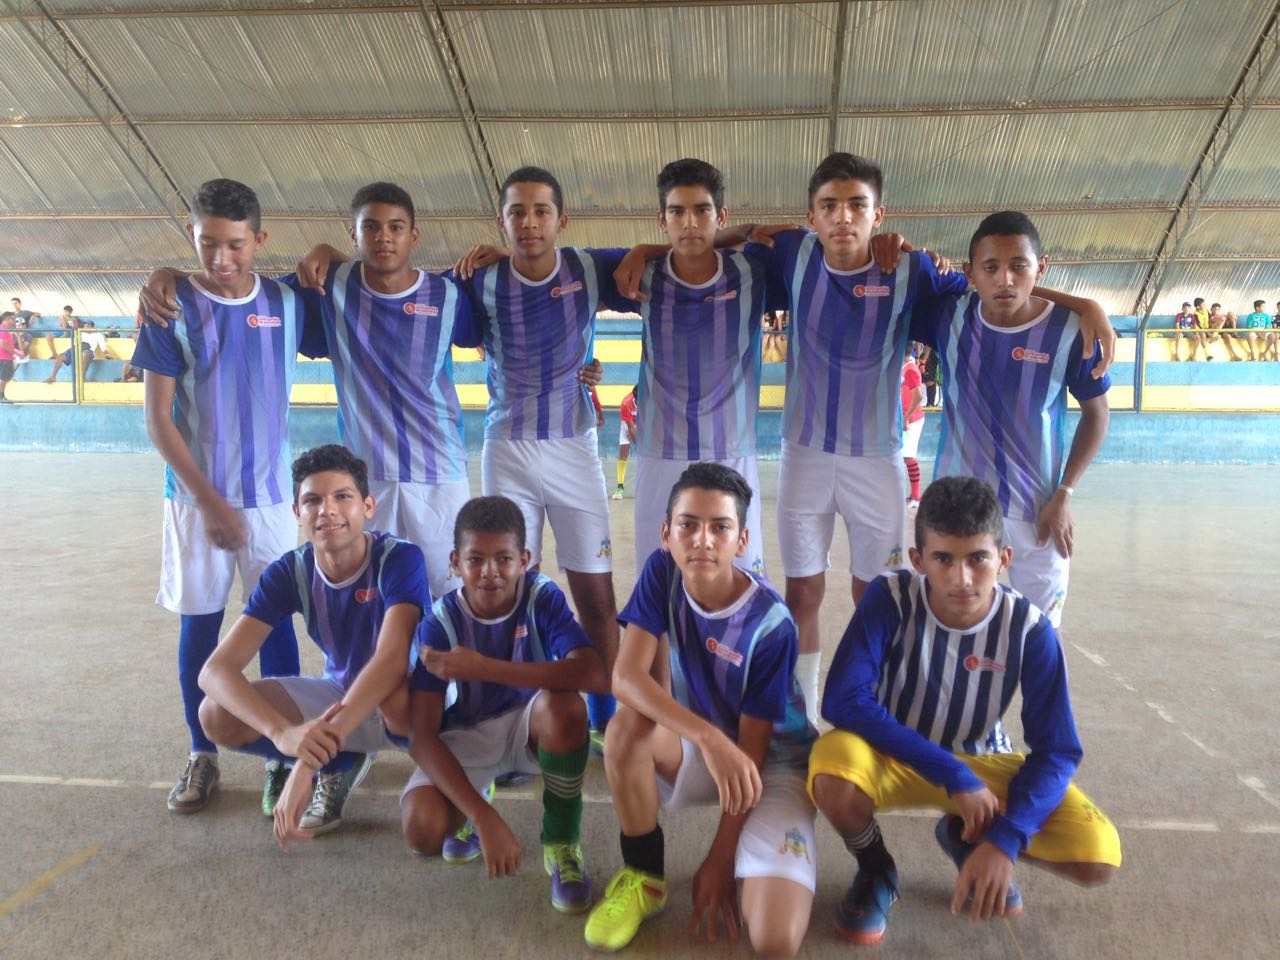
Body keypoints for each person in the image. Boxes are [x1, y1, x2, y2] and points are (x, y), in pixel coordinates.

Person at [808, 476, 1120, 945]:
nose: (961, 578)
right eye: (943, 559)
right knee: (831, 768)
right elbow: (842, 699)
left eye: (978, 559)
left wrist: (1006, 840)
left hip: (982, 760)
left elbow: (1057, 751)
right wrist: (952, 775)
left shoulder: (1030, 630)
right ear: (918, 560)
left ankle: (966, 833)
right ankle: (876, 868)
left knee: (1097, 856)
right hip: (893, 756)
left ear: (1004, 559)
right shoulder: (890, 597)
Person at [141, 181, 484, 602]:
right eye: (370, 228)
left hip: (440, 475)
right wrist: (165, 275)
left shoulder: (449, 295)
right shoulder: (329, 288)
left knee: (448, 595)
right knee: (368, 595)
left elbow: (494, 323)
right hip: (367, 475)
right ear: (353, 235)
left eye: (395, 227)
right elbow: (228, 283)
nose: (383, 238)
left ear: (414, 235)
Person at [586, 463, 817, 956]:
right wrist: (708, 738)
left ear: (743, 540)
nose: (702, 540)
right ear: (666, 534)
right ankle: (644, 879)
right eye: (688, 525)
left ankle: (754, 859)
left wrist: (719, 857)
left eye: (720, 527)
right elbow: (625, 678)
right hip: (708, 749)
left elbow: (751, 755)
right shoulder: (662, 571)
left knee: (774, 940)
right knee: (625, 731)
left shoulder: (770, 623)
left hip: (772, 766)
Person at [128, 178, 303, 815]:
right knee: (200, 626)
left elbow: (353, 279)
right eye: (207, 244)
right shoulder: (170, 308)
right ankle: (202, 753)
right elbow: (158, 420)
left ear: (260, 239)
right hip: (193, 501)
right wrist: (209, 502)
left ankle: (283, 757)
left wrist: (325, 252)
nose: (221, 258)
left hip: (272, 500)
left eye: (235, 244)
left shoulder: (288, 302)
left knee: (276, 626)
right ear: (191, 237)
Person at [451, 166, 629, 743]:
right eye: (517, 213)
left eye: (541, 211)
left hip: (574, 447)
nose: (529, 222)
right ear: (501, 221)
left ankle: (605, 719)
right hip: (507, 449)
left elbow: (673, 251)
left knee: (595, 594)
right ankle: (509, 721)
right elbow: (399, 282)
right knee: (504, 591)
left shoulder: (589, 268)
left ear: (561, 220)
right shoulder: (478, 280)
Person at [198, 444, 427, 841]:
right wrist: (281, 734)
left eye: (342, 496)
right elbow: (214, 671)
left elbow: (391, 662)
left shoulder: (400, 559)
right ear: (296, 512)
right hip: (342, 696)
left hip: (410, 701)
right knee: (215, 714)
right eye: (312, 500)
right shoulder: (290, 572)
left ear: (368, 506)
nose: (327, 510)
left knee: (425, 825)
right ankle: (340, 763)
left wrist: (304, 764)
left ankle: (441, 761)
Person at [402, 495, 607, 914]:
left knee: (567, 710)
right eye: (476, 559)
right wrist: (483, 816)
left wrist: (484, 668)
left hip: (531, 724)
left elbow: (592, 674)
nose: (490, 572)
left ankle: (562, 842)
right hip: (467, 735)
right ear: (456, 562)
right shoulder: (439, 623)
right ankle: (478, 796)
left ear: (525, 560)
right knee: (423, 831)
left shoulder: (540, 596)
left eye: (504, 559)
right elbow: (420, 736)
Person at [910, 211, 1110, 626]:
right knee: (955, 629)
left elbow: (1097, 414)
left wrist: (1065, 492)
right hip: (957, 509)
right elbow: (890, 282)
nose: (1005, 280)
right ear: (970, 272)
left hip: (1039, 513)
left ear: (1041, 267)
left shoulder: (1072, 332)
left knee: (1040, 636)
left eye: (1019, 266)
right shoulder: (948, 315)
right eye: (990, 268)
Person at [613, 157, 780, 576]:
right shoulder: (640, 275)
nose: (689, 222)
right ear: (662, 219)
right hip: (660, 452)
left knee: (739, 577)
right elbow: (548, 259)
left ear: (720, 216)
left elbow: (838, 252)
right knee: (658, 576)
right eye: (677, 212)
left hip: (731, 451)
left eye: (702, 210)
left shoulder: (755, 273)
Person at [900, 351, 925, 505]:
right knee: (906, 457)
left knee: (908, 458)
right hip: (908, 418)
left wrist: (906, 418)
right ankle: (914, 496)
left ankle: (915, 497)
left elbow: (918, 396)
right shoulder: (907, 368)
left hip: (912, 419)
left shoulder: (910, 369)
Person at [613, 384, 638, 500]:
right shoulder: (626, 403)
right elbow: (630, 428)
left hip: (643, 422)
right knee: (623, 451)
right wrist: (635, 439)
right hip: (628, 424)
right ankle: (620, 487)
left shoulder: (650, 401)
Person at [0, 311, 19, 404]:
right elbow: (3, 344)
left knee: (4, 378)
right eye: (13, 318)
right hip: (4, 358)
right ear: (7, 319)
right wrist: (14, 352)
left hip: (5, 358)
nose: (14, 320)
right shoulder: (3, 329)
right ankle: (1, 397)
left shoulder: (4, 329)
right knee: (4, 378)